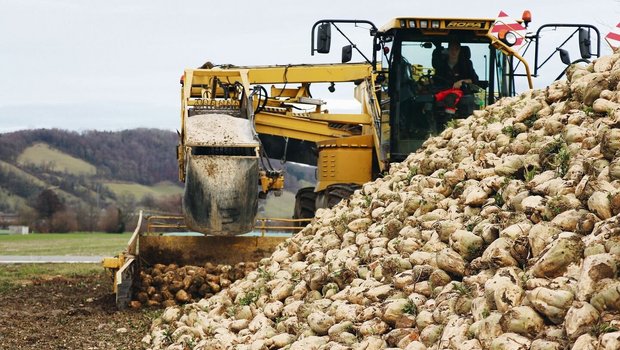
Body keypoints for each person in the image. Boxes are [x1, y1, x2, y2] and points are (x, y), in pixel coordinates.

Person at [432, 39, 479, 114]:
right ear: (448, 50)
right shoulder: (441, 65)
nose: (454, 52)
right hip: (442, 91)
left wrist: (461, 82)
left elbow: (475, 80)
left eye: (456, 49)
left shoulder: (466, 65)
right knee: (428, 99)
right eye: (451, 49)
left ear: (460, 51)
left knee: (450, 99)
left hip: (459, 92)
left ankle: (449, 121)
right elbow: (436, 79)